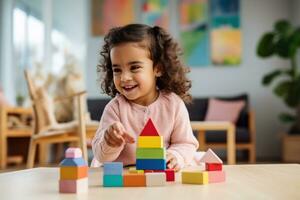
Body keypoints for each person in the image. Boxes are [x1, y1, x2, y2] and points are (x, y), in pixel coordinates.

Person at [91, 24, 199, 171]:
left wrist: (175, 155)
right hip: (123, 178)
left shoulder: (173, 104)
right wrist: (110, 141)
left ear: (158, 68)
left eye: (134, 67)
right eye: (117, 70)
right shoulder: (115, 108)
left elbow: (186, 143)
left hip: (160, 174)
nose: (124, 77)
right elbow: (100, 155)